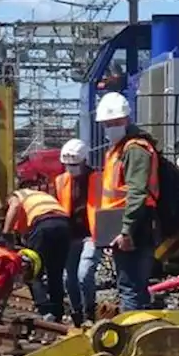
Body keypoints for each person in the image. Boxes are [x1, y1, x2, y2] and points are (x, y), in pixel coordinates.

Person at [95, 92, 158, 313]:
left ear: (126, 120)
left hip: (133, 224)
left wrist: (126, 231)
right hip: (122, 223)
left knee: (130, 286)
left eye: (115, 123)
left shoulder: (134, 149)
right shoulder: (120, 149)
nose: (110, 127)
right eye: (107, 124)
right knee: (133, 286)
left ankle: (133, 333)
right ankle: (141, 330)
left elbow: (137, 192)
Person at [0, 187, 69, 321]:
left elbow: (14, 207)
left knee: (32, 271)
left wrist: (6, 234)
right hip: (64, 225)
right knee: (55, 272)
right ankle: (57, 312)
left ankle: (45, 311)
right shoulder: (40, 196)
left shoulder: (16, 195)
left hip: (43, 225)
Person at [55, 138, 101, 326]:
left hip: (92, 234)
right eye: (67, 165)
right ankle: (76, 315)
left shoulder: (98, 178)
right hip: (70, 235)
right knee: (69, 278)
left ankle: (89, 311)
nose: (70, 168)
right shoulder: (61, 180)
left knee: (84, 274)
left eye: (74, 164)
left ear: (84, 161)